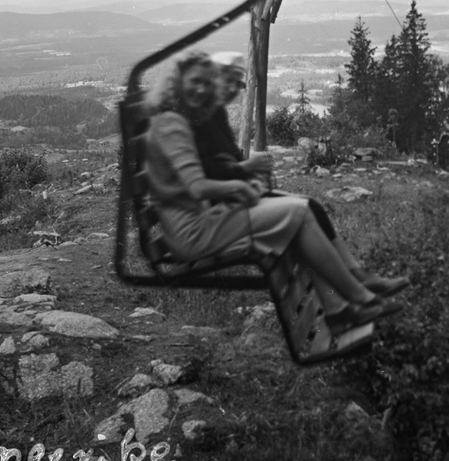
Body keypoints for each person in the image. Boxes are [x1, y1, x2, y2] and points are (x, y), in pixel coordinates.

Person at [143, 51, 403, 335]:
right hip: (193, 232)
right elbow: (197, 184)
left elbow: (200, 174)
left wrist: (239, 177)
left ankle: (342, 307)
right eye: (195, 81)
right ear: (176, 82)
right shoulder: (173, 124)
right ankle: (358, 297)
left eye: (207, 83)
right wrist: (240, 183)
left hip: (197, 220)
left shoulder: (177, 119)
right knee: (300, 212)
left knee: (302, 213)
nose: (203, 89)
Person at [197, 52, 411, 300]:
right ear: (213, 78)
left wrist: (247, 172)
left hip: (234, 195)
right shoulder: (202, 116)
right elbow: (204, 170)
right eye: (230, 81)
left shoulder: (215, 112)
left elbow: (229, 160)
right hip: (222, 205)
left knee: (313, 209)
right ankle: (353, 292)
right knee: (304, 215)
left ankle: (352, 285)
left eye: (238, 83)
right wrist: (244, 170)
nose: (234, 89)